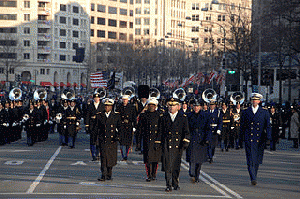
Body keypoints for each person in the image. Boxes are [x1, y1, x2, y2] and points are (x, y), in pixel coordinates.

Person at [240, 93, 271, 186]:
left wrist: (268, 138)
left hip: (260, 139)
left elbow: (268, 126)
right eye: (253, 100)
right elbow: (242, 126)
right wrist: (240, 139)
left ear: (259, 101)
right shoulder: (246, 112)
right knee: (250, 159)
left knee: (257, 160)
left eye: (256, 100)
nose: (254, 101)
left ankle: (254, 175)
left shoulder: (264, 112)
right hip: (249, 138)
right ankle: (253, 177)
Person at [160, 98, 190, 192]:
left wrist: (185, 141)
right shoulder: (163, 117)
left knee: (176, 166)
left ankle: (175, 182)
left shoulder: (183, 117)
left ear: (178, 107)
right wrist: (157, 143)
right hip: (166, 144)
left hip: (178, 145)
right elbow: (160, 132)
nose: (171, 108)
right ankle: (168, 184)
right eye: (170, 105)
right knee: (167, 165)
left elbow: (186, 131)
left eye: (173, 106)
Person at [96, 98, 121, 181]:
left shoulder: (116, 116)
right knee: (103, 158)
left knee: (110, 158)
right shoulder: (100, 115)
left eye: (109, 106)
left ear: (111, 107)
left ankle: (109, 174)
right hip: (103, 139)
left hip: (112, 140)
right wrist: (97, 139)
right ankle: (103, 175)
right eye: (106, 106)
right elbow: (97, 128)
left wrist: (118, 136)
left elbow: (119, 128)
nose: (107, 107)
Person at [139, 98, 162, 182]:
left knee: (155, 160)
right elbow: (140, 129)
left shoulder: (159, 115)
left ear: (156, 106)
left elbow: (161, 129)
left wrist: (159, 140)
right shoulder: (144, 115)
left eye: (153, 105)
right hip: (147, 140)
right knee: (148, 160)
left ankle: (154, 174)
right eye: (150, 105)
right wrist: (138, 142)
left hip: (156, 140)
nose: (151, 107)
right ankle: (149, 175)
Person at [186, 99, 210, 183]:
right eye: (195, 106)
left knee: (199, 161)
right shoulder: (189, 115)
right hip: (192, 138)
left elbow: (208, 129)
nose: (196, 108)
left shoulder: (205, 116)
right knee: (192, 158)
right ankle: (192, 173)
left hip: (201, 139)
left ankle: (197, 176)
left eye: (198, 106)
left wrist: (207, 139)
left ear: (201, 107)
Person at [115, 95, 137, 161]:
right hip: (121, 127)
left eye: (126, 100)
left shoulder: (132, 107)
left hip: (129, 126)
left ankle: (126, 154)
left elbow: (134, 117)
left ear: (128, 100)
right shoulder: (119, 107)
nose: (124, 101)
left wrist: (134, 126)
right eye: (123, 99)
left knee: (128, 142)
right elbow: (116, 117)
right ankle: (124, 155)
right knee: (122, 142)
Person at [85, 93, 103, 161]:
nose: (96, 99)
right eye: (95, 98)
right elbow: (87, 116)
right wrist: (87, 125)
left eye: (97, 98)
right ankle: (93, 155)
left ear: (99, 98)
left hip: (100, 125)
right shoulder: (90, 106)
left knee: (99, 141)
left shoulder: (102, 105)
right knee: (92, 141)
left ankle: (98, 154)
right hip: (92, 126)